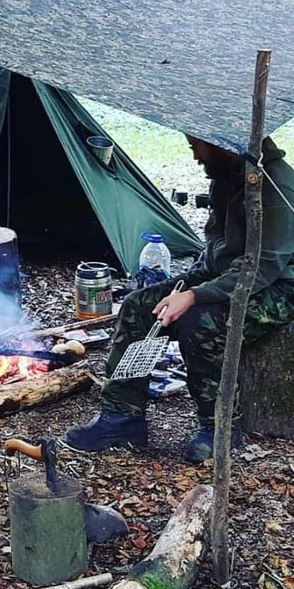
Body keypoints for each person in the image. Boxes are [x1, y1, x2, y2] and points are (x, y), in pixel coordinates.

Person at [62, 135, 294, 463]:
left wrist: (195, 296)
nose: (195, 156)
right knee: (138, 306)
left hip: (278, 288)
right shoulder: (226, 178)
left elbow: (262, 267)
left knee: (198, 322)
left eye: (197, 146)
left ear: (222, 143)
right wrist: (186, 284)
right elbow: (215, 249)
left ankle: (221, 427)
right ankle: (122, 417)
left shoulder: (275, 186)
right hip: (231, 276)